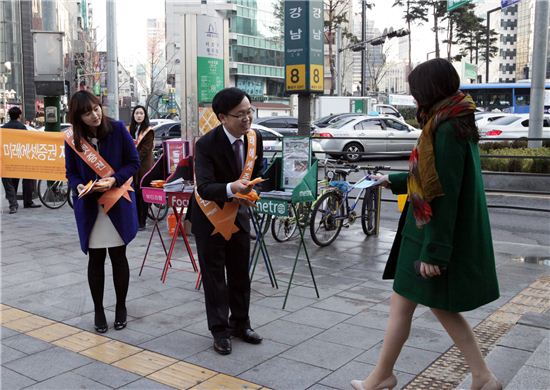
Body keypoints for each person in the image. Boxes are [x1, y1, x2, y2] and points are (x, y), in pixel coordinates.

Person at [351, 59, 501, 390]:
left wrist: (435, 252)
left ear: (428, 91)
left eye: (416, 91)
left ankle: (481, 376)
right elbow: (429, 179)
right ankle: (385, 376)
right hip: (424, 233)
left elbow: (442, 193)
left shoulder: (445, 128)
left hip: (428, 236)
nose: (414, 97)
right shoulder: (453, 119)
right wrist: (392, 179)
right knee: (405, 306)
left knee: (426, 307)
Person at [190, 87, 264, 355]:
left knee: (239, 273)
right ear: (223, 117)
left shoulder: (255, 139)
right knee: (214, 277)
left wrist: (253, 193)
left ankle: (241, 324)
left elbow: (259, 172)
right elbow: (205, 187)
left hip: (238, 216)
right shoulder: (206, 144)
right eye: (240, 114)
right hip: (210, 218)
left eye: (249, 112)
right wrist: (233, 189)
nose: (247, 119)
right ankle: (219, 331)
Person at [65, 91, 140, 334]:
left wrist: (114, 180)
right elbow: (71, 172)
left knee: (119, 257)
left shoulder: (117, 129)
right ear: (78, 118)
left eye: (96, 108)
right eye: (87, 113)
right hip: (91, 207)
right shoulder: (72, 140)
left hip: (116, 201)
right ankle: (98, 309)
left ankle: (121, 307)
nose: (95, 115)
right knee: (96, 259)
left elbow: (134, 162)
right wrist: (77, 185)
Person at [2, 107, 41, 213]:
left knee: (10, 182)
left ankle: (13, 205)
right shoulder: (21, 127)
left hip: (8, 158)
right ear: (19, 115)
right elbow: (26, 142)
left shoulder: (4, 128)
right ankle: (28, 201)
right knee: (27, 180)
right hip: (21, 158)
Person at [128, 105, 154, 230]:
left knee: (142, 193)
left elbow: (144, 150)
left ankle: (141, 222)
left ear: (145, 116)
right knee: (135, 193)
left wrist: (133, 159)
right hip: (133, 166)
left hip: (143, 166)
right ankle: (136, 220)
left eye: (141, 113)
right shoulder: (131, 130)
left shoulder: (149, 131)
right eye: (137, 113)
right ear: (133, 115)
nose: (139, 115)